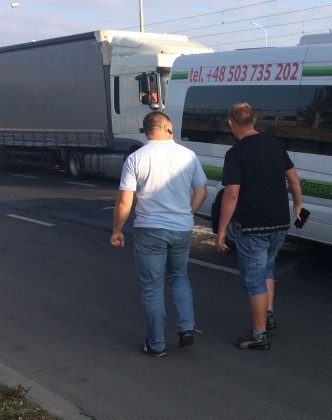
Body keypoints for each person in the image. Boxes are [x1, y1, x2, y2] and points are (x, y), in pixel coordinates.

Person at [111, 111, 208, 357]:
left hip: (149, 229)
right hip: (181, 229)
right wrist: (188, 212)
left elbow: (125, 201)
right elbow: (201, 191)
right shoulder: (188, 156)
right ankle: (186, 327)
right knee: (179, 277)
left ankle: (156, 345)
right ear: (167, 127)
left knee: (152, 288)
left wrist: (117, 230)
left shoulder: (135, 158)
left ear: (146, 131)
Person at [215, 102, 305, 351]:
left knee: (253, 279)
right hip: (279, 222)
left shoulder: (236, 153)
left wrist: (222, 229)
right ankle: (269, 314)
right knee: (267, 268)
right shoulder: (275, 144)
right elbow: (293, 178)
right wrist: (298, 206)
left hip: (253, 226)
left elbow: (231, 194)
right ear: (253, 121)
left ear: (232, 124)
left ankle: (259, 334)